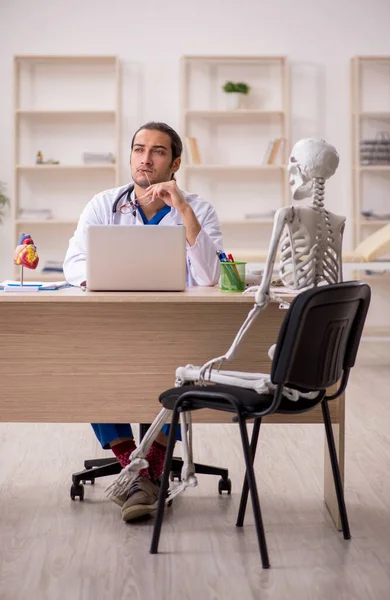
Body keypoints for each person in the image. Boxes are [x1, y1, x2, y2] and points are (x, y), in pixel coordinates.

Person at [63, 122, 223, 522]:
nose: (145, 158)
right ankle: (142, 472)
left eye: (157, 151)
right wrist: (104, 279)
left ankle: (139, 474)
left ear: (175, 163)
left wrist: (182, 210)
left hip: (175, 327)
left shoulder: (198, 209)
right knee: (88, 359)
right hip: (112, 322)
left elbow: (208, 277)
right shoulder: (103, 204)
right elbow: (74, 263)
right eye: (139, 149)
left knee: (181, 369)